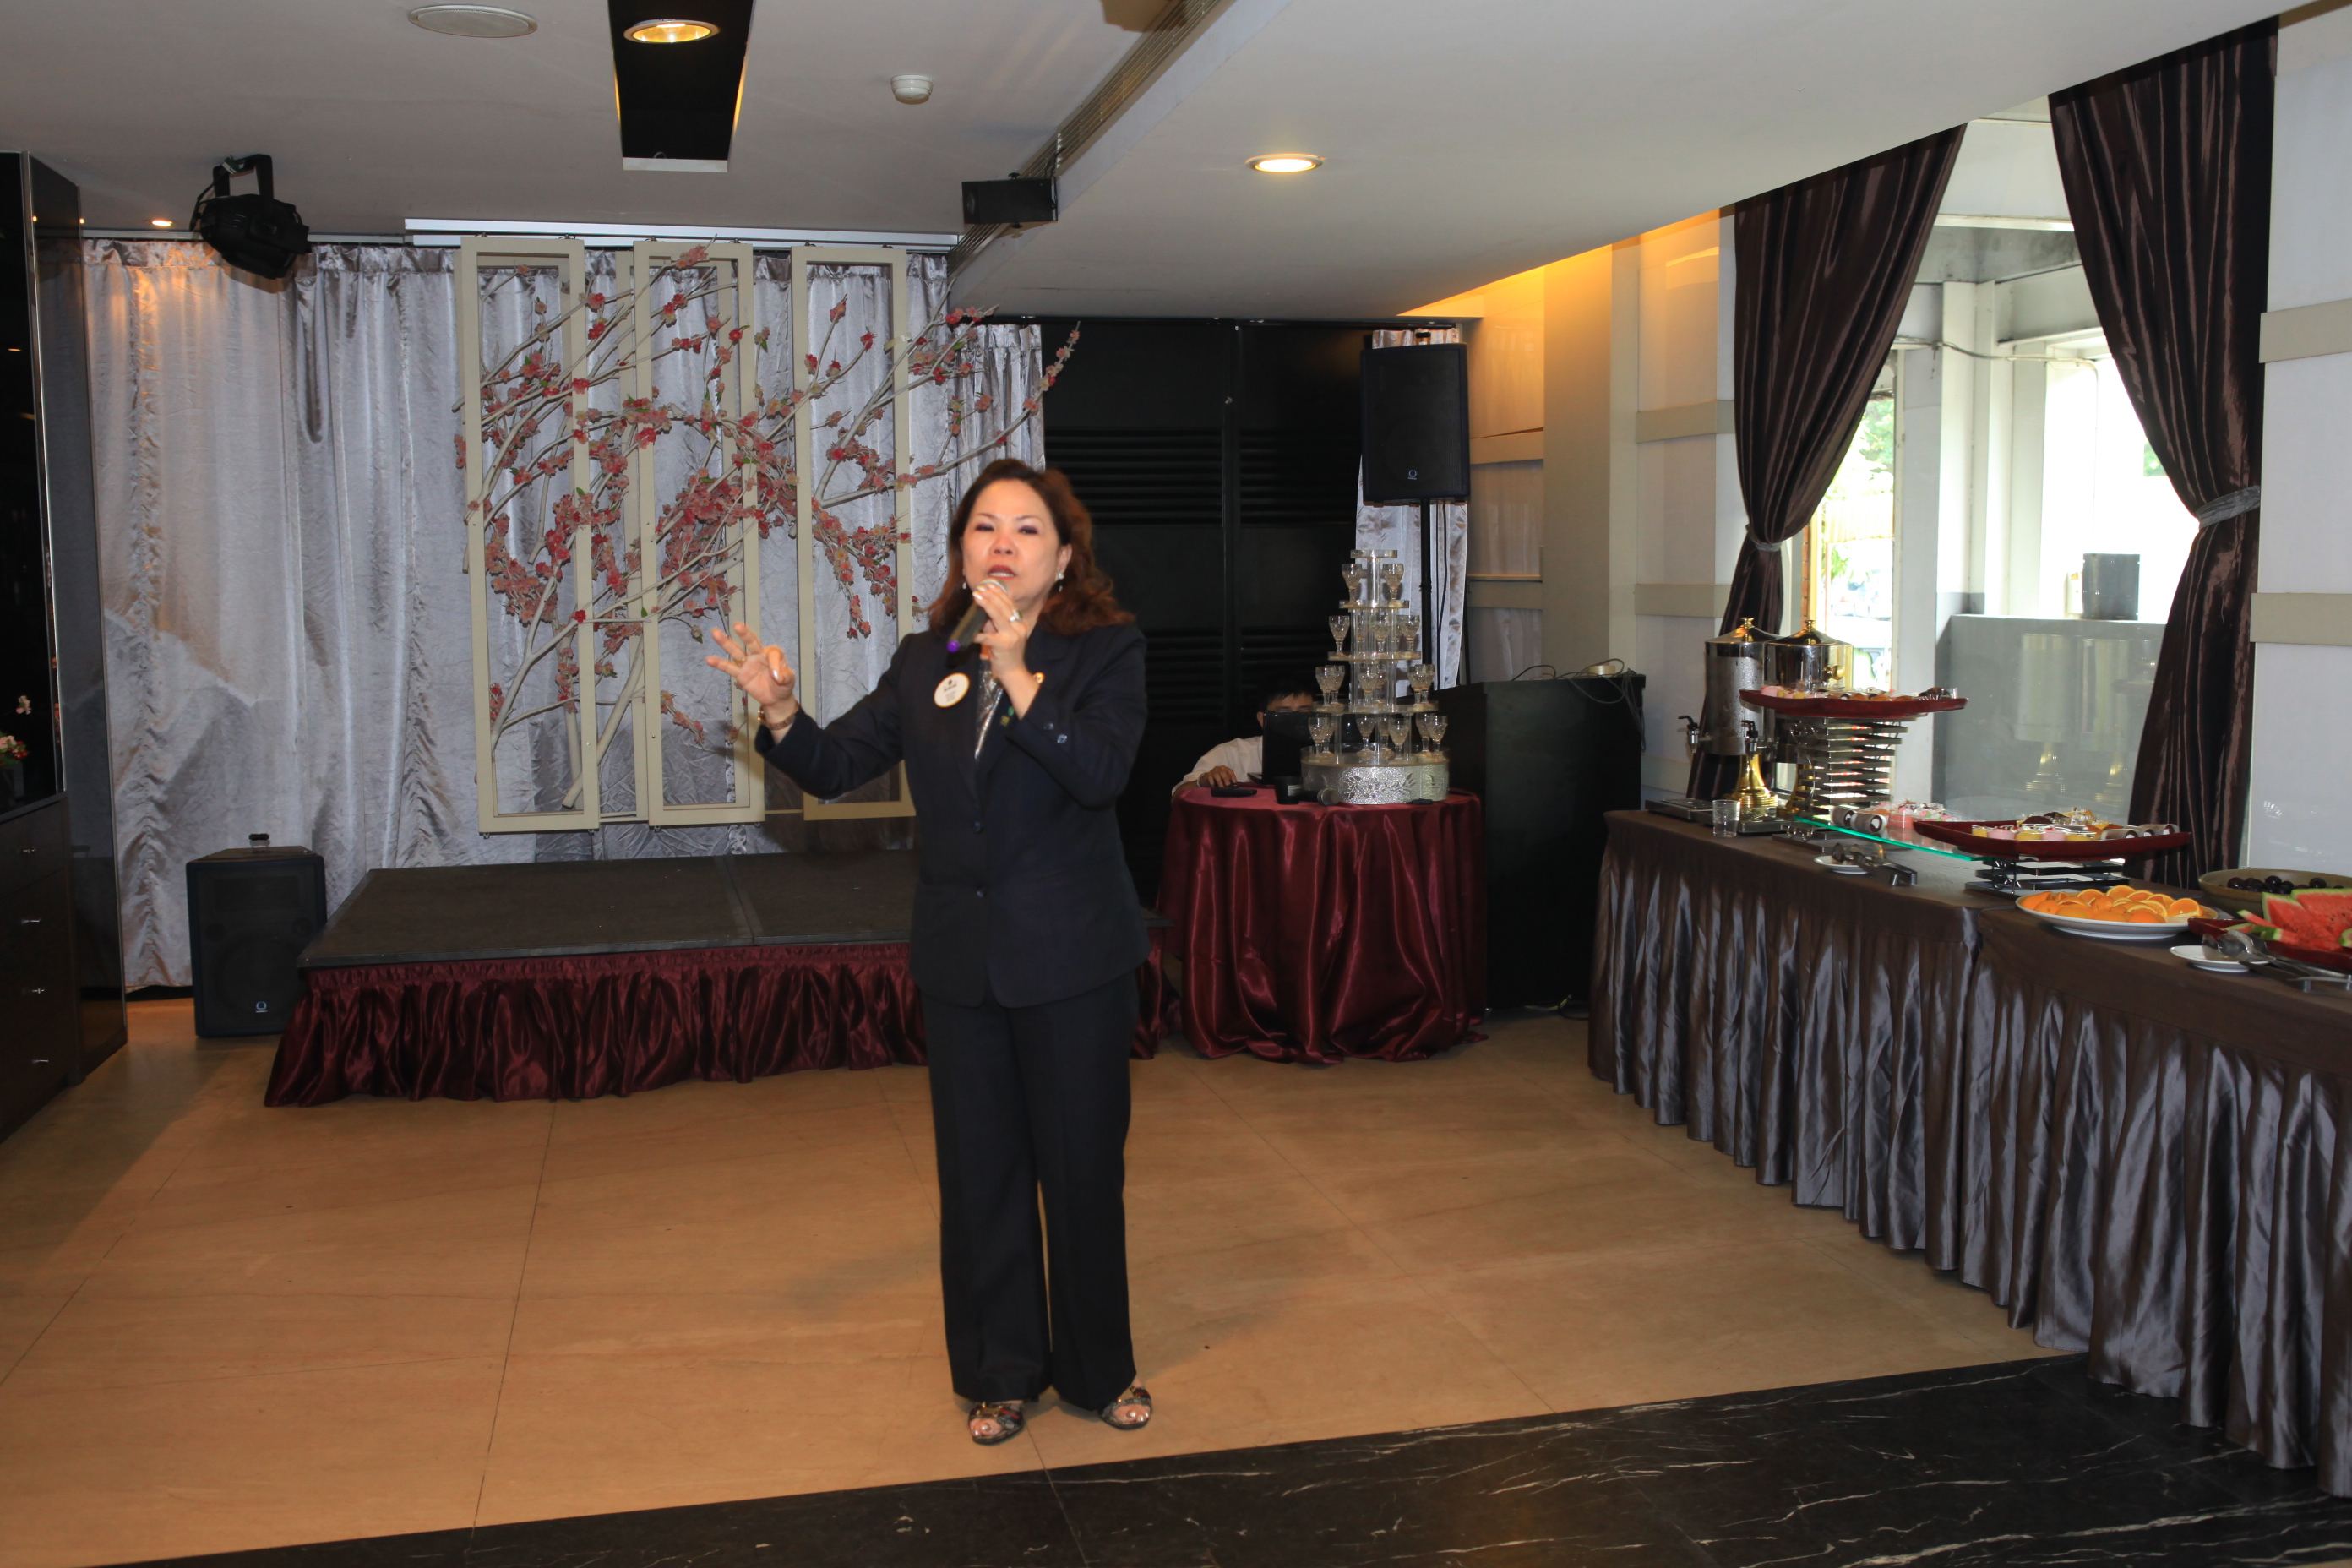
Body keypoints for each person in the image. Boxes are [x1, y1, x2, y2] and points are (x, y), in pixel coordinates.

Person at [705, 458, 1154, 1446]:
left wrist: (1018, 671)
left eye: (1027, 528)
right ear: (962, 550)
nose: (1003, 543)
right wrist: (778, 710)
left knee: (1081, 1172)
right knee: (981, 1176)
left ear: (1064, 557)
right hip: (963, 962)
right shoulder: (925, 660)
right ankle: (1000, 1372)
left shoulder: (1105, 652)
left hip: (1073, 960)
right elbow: (837, 765)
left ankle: (1099, 1368)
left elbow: (1100, 773)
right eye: (984, 526)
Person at [1173, 673, 1319, 792]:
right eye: (1284, 713)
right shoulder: (1232, 753)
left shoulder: (1325, 756)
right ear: (1262, 719)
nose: (1295, 721)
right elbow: (1178, 796)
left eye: (1304, 713)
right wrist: (1203, 782)